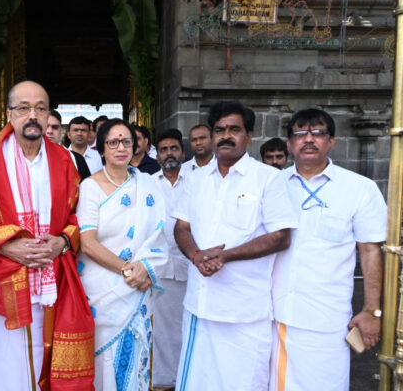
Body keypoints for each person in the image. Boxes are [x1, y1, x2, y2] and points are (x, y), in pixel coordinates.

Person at [0, 80, 95, 390]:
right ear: (9, 114)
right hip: (8, 281)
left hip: (55, 279)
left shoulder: (64, 161)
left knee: (51, 362)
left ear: (49, 114)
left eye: (40, 108)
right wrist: (7, 246)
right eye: (23, 108)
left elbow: (79, 216)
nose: (32, 115)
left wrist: (62, 242)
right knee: (9, 366)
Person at [172, 101, 298, 390]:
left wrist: (225, 256)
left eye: (234, 130)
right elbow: (182, 228)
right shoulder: (195, 178)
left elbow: (281, 236)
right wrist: (196, 255)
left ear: (249, 136)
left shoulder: (268, 178)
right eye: (219, 130)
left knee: (243, 382)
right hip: (200, 306)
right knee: (196, 382)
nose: (226, 136)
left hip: (245, 310)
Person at [270, 109, 386, 391]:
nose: (308, 139)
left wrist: (372, 311)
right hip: (274, 316)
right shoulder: (272, 185)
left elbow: (371, 252)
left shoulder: (360, 189)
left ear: (331, 141)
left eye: (318, 133)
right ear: (289, 144)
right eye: (300, 134)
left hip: (327, 321)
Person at [77, 118, 167, 390]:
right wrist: (128, 270)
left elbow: (159, 235)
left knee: (136, 359)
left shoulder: (148, 185)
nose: (121, 147)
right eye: (113, 142)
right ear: (101, 148)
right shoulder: (90, 187)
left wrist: (144, 270)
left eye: (127, 141)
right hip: (103, 293)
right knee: (104, 362)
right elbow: (87, 243)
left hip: (138, 287)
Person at [151, 128, 189, 390]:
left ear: (182, 153)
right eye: (163, 150)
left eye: (173, 148)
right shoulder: (147, 183)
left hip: (192, 268)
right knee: (162, 332)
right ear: (157, 155)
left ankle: (189, 378)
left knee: (188, 328)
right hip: (161, 269)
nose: (169, 154)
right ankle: (164, 382)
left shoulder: (198, 181)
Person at [46, 109, 91, 180]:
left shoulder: (77, 159)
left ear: (61, 130)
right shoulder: (24, 159)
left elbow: (87, 189)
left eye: (55, 127)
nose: (50, 131)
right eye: (46, 126)